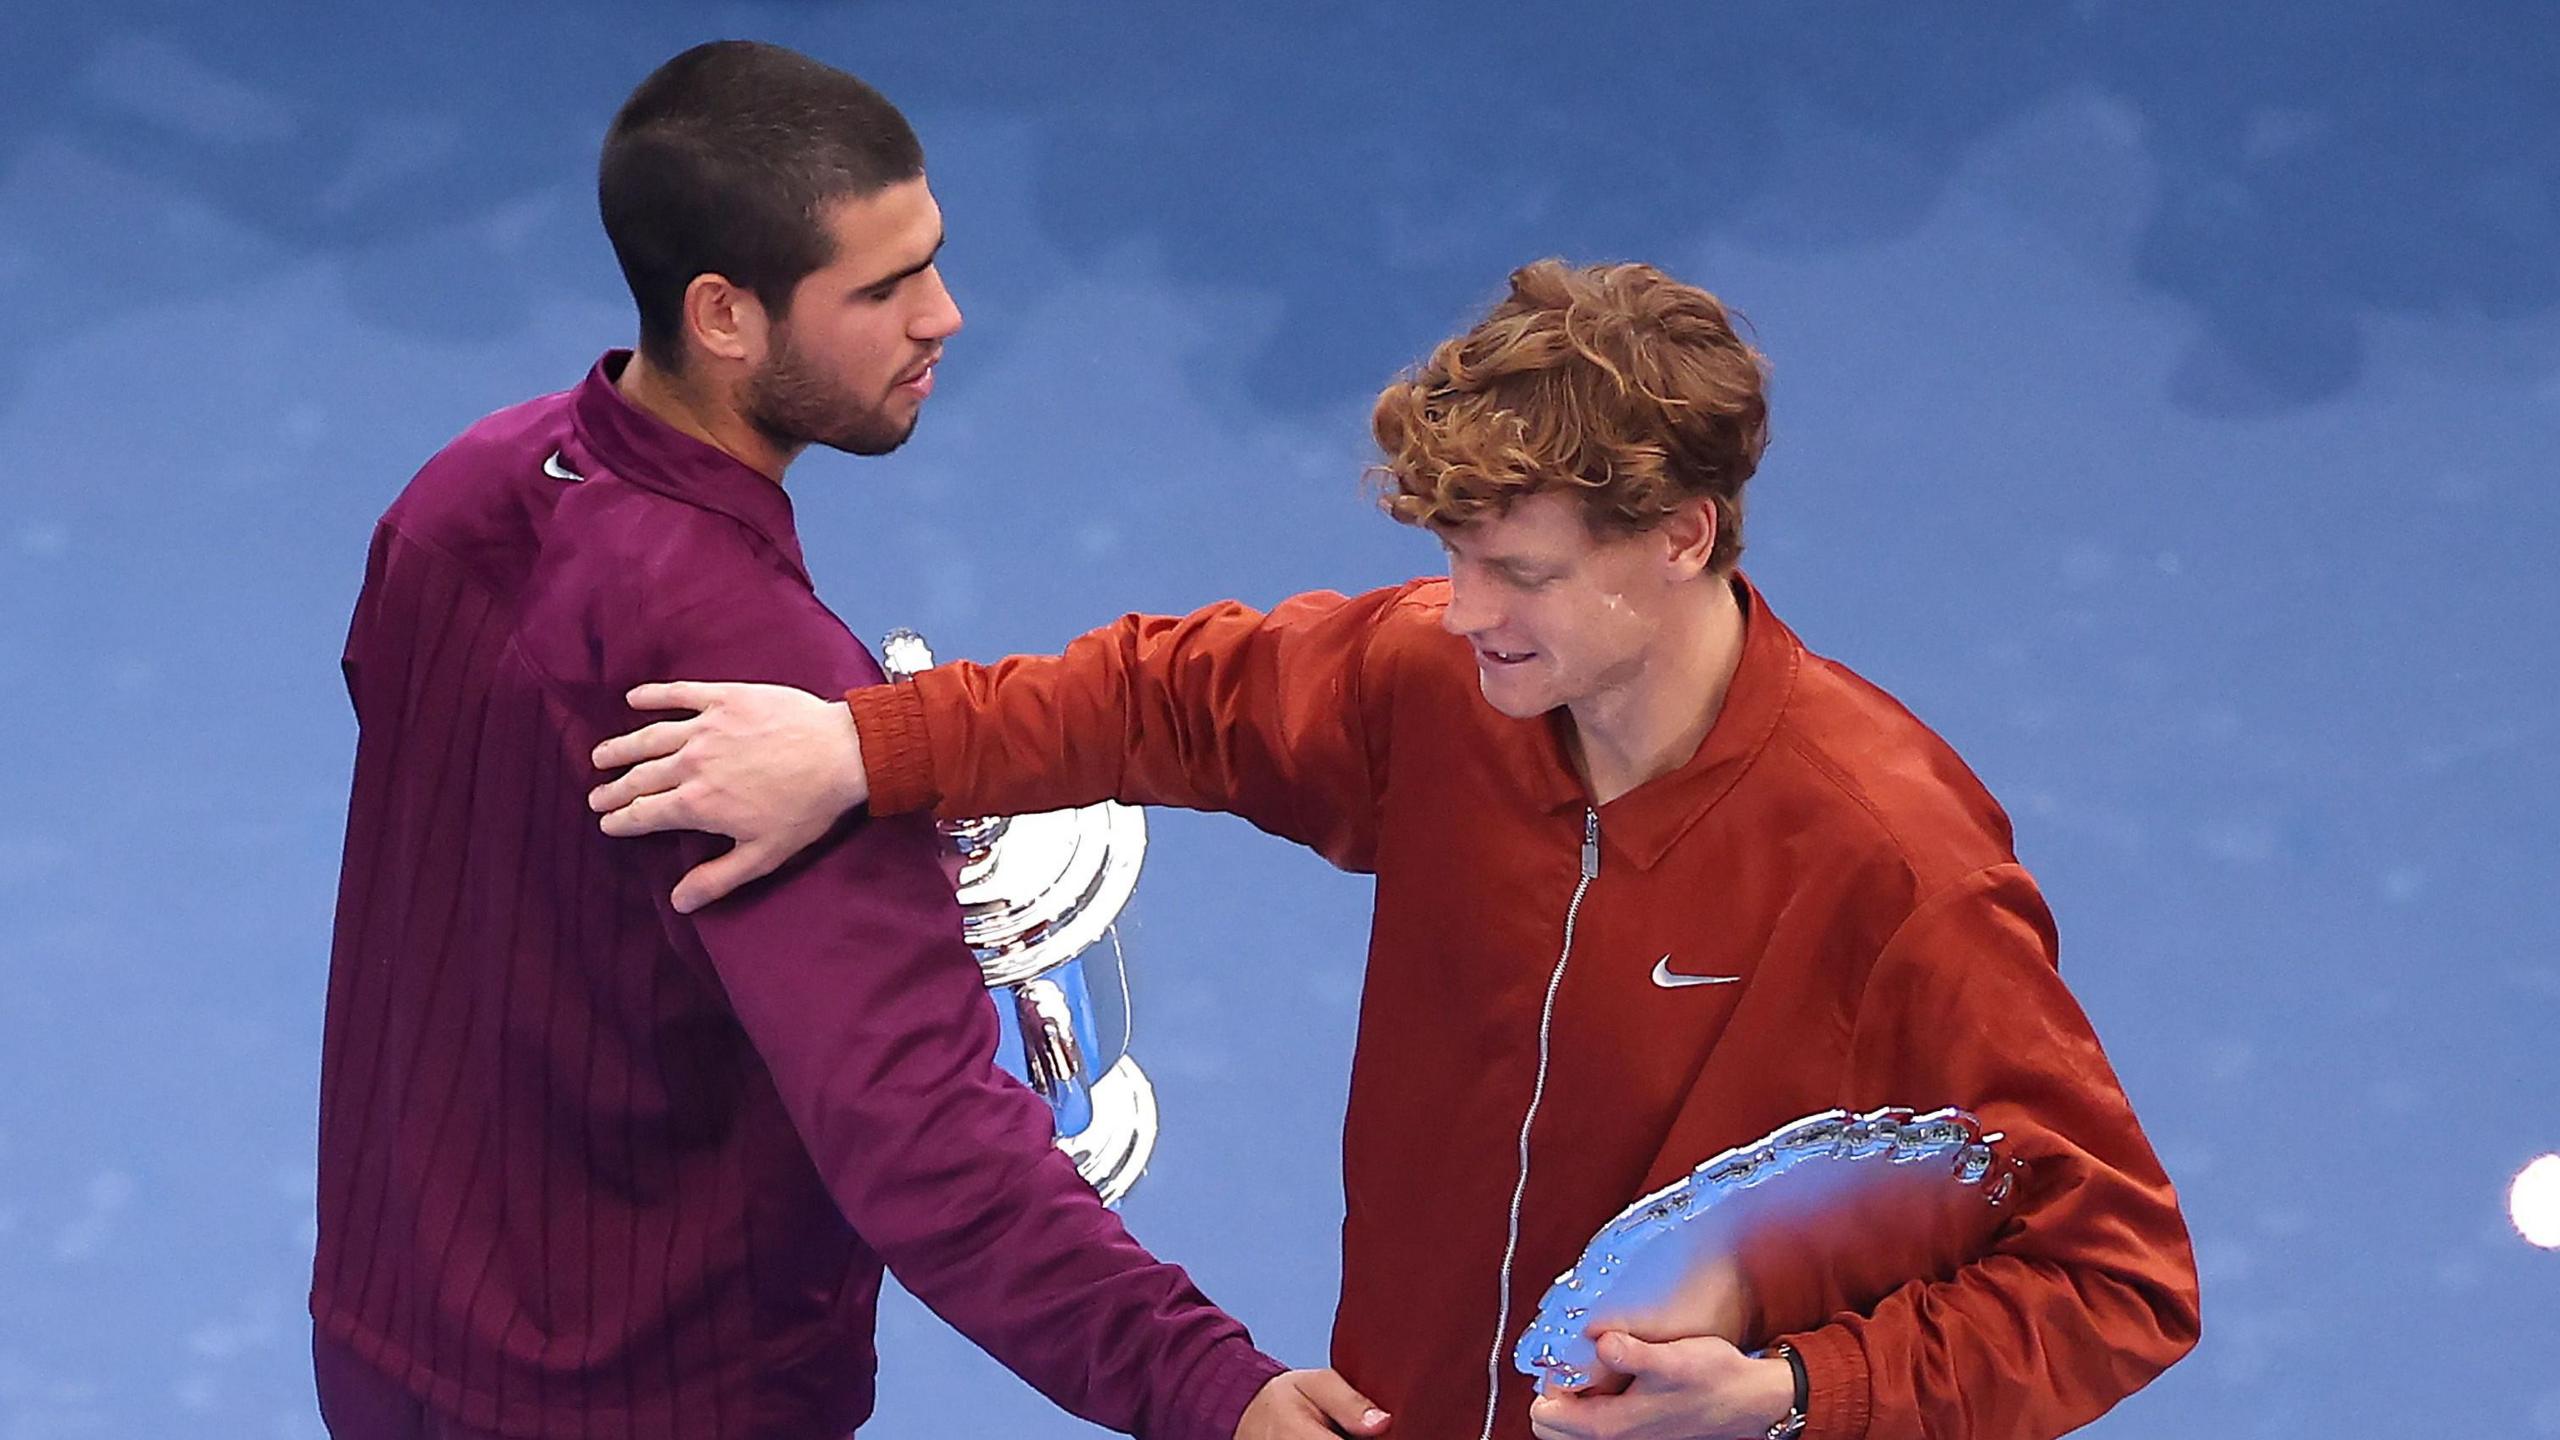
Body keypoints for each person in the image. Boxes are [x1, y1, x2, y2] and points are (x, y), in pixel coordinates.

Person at [587, 259, 2203, 1440]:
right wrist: (865, 747)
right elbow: (1166, 697)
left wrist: (1793, 1395)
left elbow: (2119, 1278)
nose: (1468, 609)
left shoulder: (1888, 856)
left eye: (1521, 571)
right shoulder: (1451, 685)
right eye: (1451, 558)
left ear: (1684, 535)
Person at [311, 40, 1383, 1440]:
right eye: (881, 291)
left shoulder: (463, 490)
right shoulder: (762, 702)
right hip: (656, 1401)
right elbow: (923, 1136)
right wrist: (1206, 1386)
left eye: (928, 262)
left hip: (394, 1346)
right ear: (725, 316)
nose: (943, 316)